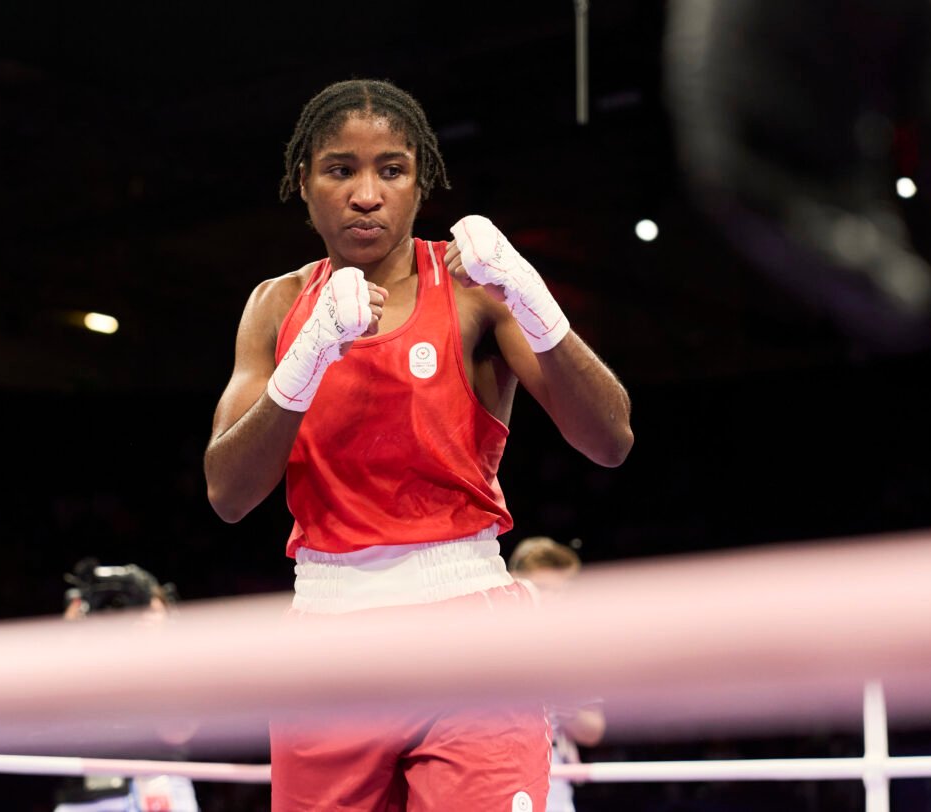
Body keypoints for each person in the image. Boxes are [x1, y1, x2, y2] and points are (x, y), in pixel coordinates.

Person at [204, 77, 634, 811]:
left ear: (421, 181)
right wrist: (307, 359)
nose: (366, 193)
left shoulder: (474, 290)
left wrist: (531, 295)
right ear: (303, 184)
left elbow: (610, 439)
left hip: (466, 616)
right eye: (340, 169)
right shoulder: (276, 305)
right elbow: (228, 494)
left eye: (391, 170)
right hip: (326, 631)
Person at [54, 559, 199, 812]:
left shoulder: (179, 662)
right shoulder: (85, 660)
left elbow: (177, 732)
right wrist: (73, 637)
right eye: (131, 610)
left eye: (149, 611)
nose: (140, 619)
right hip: (84, 794)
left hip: (157, 787)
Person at [508, 537, 606, 812]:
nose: (549, 599)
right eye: (540, 588)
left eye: (558, 591)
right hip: (491, 766)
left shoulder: (574, 652)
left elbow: (592, 730)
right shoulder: (483, 641)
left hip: (551, 776)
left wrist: (561, 702)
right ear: (514, 583)